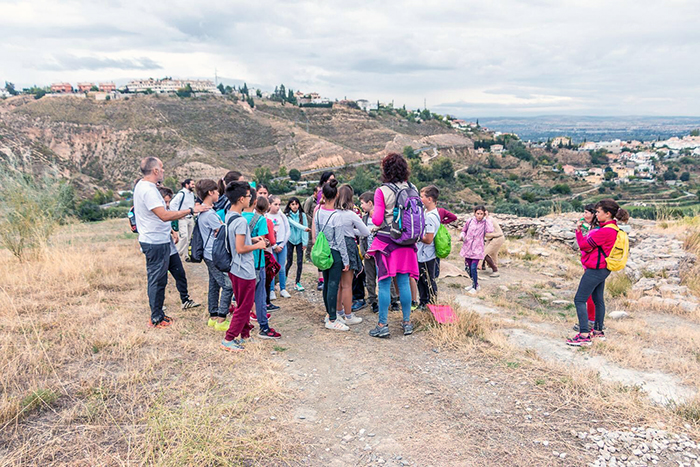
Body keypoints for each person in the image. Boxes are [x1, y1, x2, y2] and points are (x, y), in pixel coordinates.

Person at [133, 157, 209, 328]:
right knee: (157, 279)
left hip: (162, 239)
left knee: (169, 275)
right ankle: (156, 318)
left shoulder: (145, 187)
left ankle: (161, 312)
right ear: (155, 171)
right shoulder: (149, 190)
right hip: (155, 242)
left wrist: (170, 231)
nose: (164, 171)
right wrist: (191, 210)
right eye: (162, 168)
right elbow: (164, 215)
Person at [366, 153, 420, 337]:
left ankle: (382, 325)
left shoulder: (382, 191)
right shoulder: (413, 188)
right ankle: (406, 323)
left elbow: (378, 219)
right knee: (404, 281)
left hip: (387, 242)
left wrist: (374, 212)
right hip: (408, 242)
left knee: (384, 283)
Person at [567, 199, 629, 346]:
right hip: (603, 268)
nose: (596, 214)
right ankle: (598, 332)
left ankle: (583, 335)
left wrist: (578, 230)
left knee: (579, 299)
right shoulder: (613, 229)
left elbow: (583, 246)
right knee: (598, 299)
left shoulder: (605, 231)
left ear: (607, 214)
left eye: (599, 212)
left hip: (595, 268)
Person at [221, 181, 268, 352]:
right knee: (245, 306)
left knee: (242, 303)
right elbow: (240, 248)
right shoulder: (240, 220)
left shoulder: (229, 215)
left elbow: (237, 242)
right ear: (241, 199)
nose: (251, 199)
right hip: (244, 269)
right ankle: (229, 338)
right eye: (249, 196)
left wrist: (252, 239)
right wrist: (258, 246)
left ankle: (245, 335)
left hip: (235, 268)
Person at [194, 179, 233, 331]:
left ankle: (213, 315)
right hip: (214, 254)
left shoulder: (203, 212)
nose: (218, 194)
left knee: (214, 284)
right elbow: (222, 231)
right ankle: (221, 319)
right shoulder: (209, 214)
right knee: (228, 285)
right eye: (216, 192)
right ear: (211, 193)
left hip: (207, 252)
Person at [312, 179, 350, 331]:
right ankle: (332, 319)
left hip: (322, 251)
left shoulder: (318, 211)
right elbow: (340, 241)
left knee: (327, 284)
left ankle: (329, 314)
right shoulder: (336, 216)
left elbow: (315, 231)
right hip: (334, 253)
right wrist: (345, 260)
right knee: (333, 284)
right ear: (336, 196)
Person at [243, 191, 281, 339]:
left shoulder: (237, 217)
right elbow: (266, 242)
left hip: (242, 262)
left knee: (244, 297)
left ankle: (244, 325)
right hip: (257, 261)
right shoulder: (260, 220)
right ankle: (264, 327)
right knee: (259, 295)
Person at [157, 186, 201, 311]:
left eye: (168, 202)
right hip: (160, 249)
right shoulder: (155, 212)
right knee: (160, 278)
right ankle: (157, 305)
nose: (167, 204)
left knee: (180, 274)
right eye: (164, 202)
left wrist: (173, 232)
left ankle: (185, 300)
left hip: (171, 248)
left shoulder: (166, 211)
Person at [335, 184, 370, 324]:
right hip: (348, 247)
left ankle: (338, 312)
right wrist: (352, 232)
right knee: (347, 285)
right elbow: (365, 232)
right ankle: (348, 316)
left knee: (337, 284)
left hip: (334, 248)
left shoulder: (332, 213)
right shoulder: (351, 215)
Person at [573, 204, 600, 332]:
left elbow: (585, 246)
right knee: (595, 296)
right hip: (593, 264)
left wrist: (578, 231)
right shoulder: (594, 228)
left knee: (586, 297)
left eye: (586, 213)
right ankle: (596, 324)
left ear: (594, 214)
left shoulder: (596, 231)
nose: (584, 215)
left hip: (592, 265)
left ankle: (588, 324)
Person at [460, 205, 493, 295]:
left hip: (477, 249)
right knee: (467, 268)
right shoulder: (469, 221)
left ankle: (474, 288)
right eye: (478, 213)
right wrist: (462, 236)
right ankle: (475, 284)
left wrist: (487, 217)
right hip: (467, 247)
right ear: (474, 213)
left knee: (474, 268)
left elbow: (490, 230)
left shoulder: (485, 223)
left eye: (481, 214)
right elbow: (464, 230)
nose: (479, 215)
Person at [417, 185, 441, 309]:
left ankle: (430, 303)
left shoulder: (430, 217)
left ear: (430, 199)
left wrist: (416, 235)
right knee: (421, 279)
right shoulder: (428, 213)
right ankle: (423, 301)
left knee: (427, 280)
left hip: (426, 254)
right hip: (422, 253)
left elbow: (428, 239)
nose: (420, 199)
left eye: (422, 197)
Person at [267, 195, 292, 299]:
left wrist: (281, 245)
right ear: (269, 205)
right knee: (272, 268)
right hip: (271, 246)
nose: (278, 206)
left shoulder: (282, 216)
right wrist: (274, 245)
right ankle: (271, 290)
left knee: (281, 267)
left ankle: (283, 288)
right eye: (275, 204)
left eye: (279, 204)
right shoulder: (266, 216)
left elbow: (287, 230)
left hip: (282, 245)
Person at [314, 172, 335, 290]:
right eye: (329, 179)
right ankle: (321, 278)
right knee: (322, 250)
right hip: (323, 221)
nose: (331, 181)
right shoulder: (322, 192)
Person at [284, 197, 311, 292]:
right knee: (289, 262)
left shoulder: (302, 215)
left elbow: (305, 228)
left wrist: (305, 242)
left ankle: (297, 282)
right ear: (289, 206)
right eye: (292, 204)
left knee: (300, 262)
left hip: (299, 241)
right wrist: (304, 228)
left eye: (296, 204)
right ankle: (284, 280)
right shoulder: (287, 216)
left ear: (299, 205)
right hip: (290, 240)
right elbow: (293, 224)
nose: (294, 206)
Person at [359, 191, 379, 313]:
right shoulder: (364, 218)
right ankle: (373, 300)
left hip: (379, 253)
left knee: (385, 277)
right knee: (370, 278)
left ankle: (392, 299)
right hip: (368, 254)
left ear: (370, 203)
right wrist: (364, 251)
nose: (361, 206)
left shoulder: (381, 218)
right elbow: (362, 237)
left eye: (362, 203)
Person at [170, 179, 196, 259]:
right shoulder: (181, 194)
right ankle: (177, 253)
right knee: (183, 236)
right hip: (182, 218)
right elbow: (172, 204)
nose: (193, 186)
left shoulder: (191, 194)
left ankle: (186, 255)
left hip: (190, 217)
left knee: (188, 237)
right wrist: (178, 214)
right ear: (186, 185)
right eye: (192, 184)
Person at [480, 209, 505, 278]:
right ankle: (483, 266)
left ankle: (495, 270)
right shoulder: (484, 220)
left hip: (497, 238)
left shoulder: (488, 220)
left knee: (485, 253)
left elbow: (486, 231)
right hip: (491, 238)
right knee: (492, 254)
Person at [303, 187, 318, 263]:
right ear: (315, 192)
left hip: (317, 224)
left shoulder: (319, 201)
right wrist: (312, 221)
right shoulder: (309, 200)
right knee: (310, 240)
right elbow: (305, 212)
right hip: (310, 223)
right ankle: (307, 256)